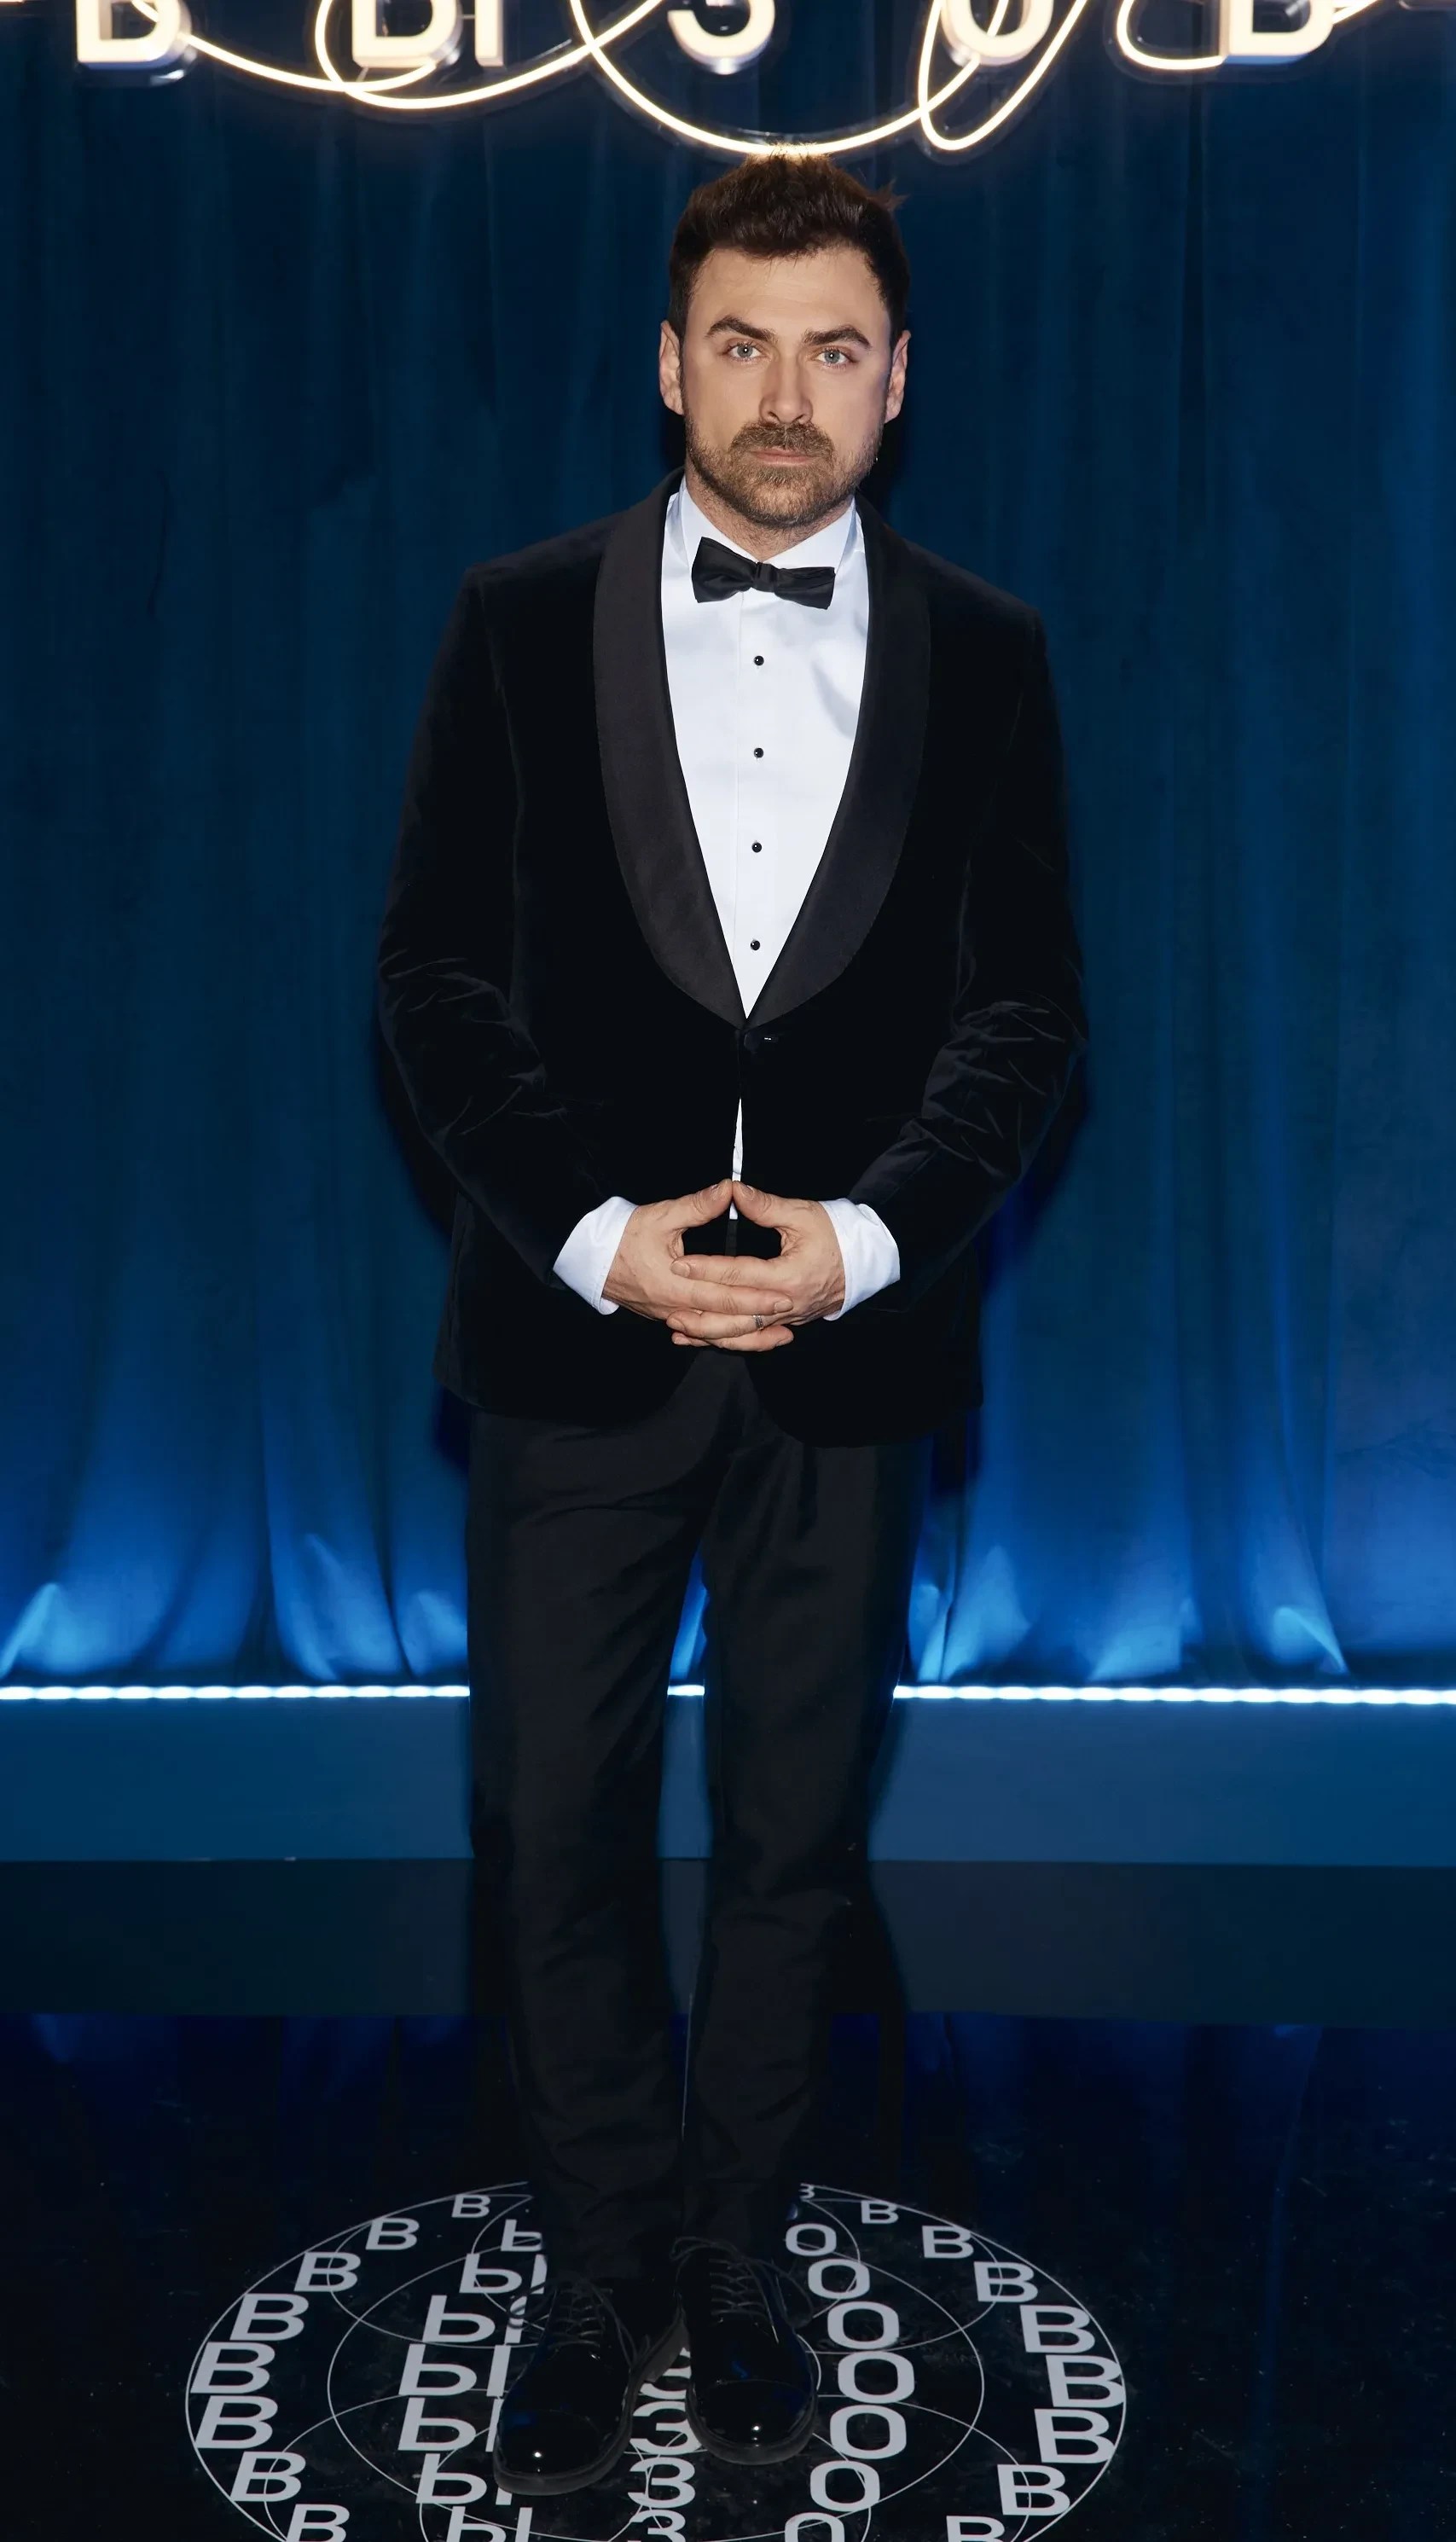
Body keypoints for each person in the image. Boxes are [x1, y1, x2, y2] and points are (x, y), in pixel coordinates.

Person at [377, 150, 1086, 2499]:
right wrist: (596, 1233)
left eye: (836, 350)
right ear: (672, 365)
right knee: (552, 1828)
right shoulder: (513, 622)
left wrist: (866, 1241)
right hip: (576, 1337)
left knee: (795, 1840)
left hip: (853, 1360)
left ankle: (739, 2251)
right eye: (746, 345)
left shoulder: (991, 650)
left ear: (899, 383)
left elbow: (1025, 1013)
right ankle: (598, 2267)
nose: (789, 394)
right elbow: (434, 983)